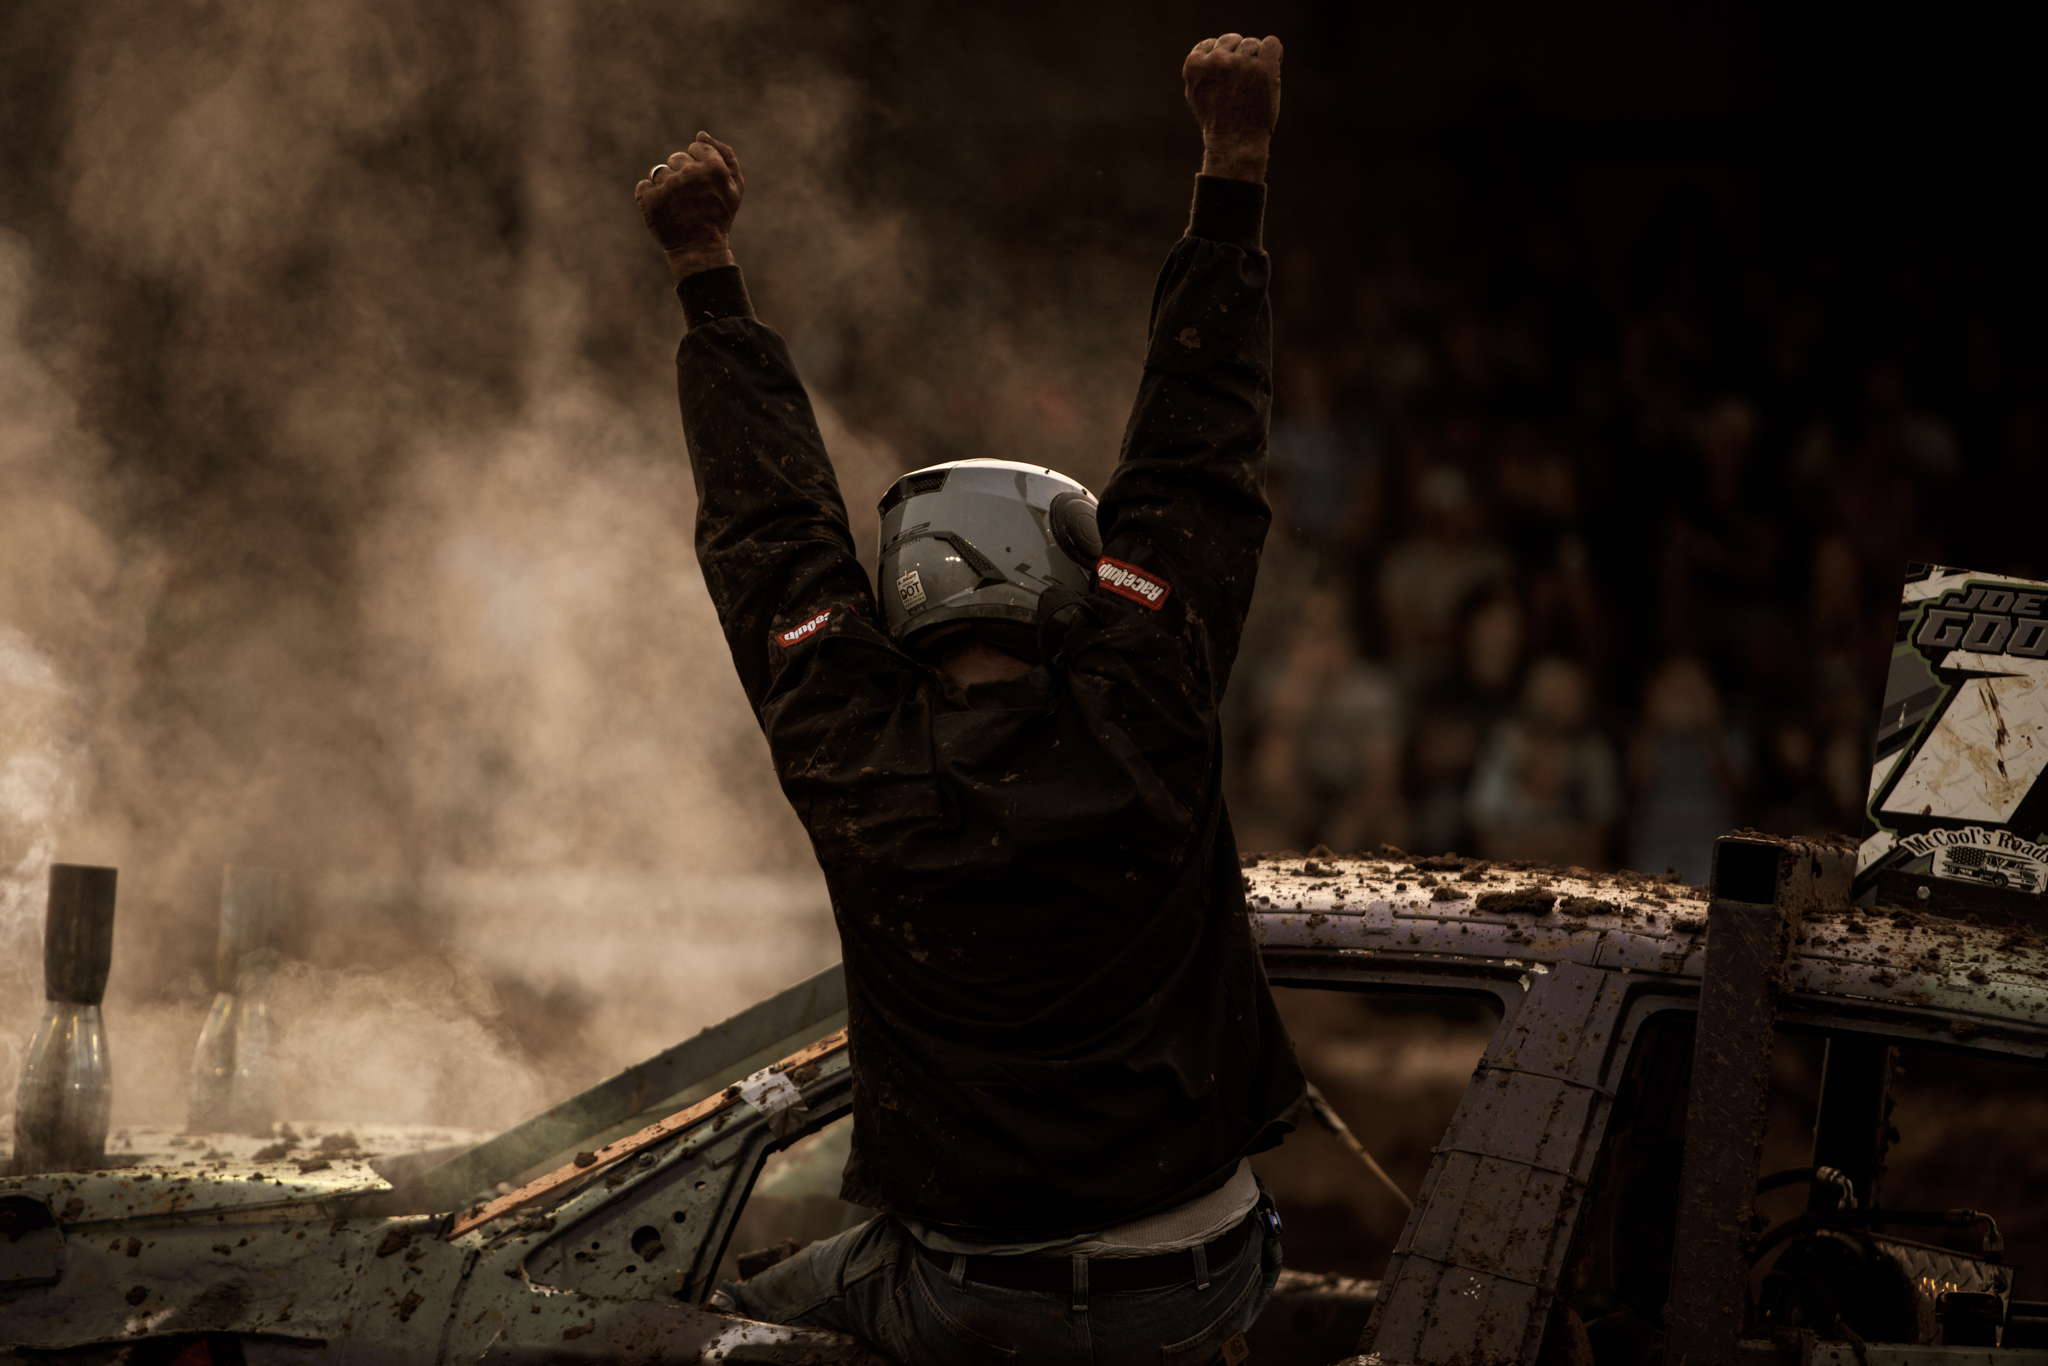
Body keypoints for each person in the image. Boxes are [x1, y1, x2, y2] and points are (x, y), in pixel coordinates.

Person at [633, 32, 1305, 1366]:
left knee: (700, 1326)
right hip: (1208, 1276)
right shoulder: (1144, 704)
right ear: (1057, 578)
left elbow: (774, 538)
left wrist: (705, 271)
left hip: (972, 1296)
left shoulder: (855, 754)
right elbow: (1197, 455)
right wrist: (1234, 161)